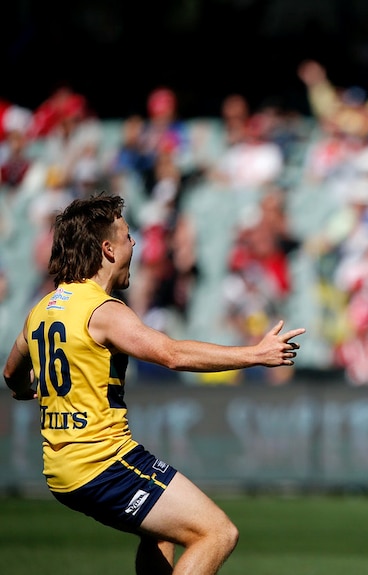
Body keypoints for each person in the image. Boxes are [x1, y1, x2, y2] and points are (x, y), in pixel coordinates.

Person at [3, 193, 306, 575]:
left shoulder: (41, 310)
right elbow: (171, 354)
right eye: (129, 237)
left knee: (161, 530)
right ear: (108, 249)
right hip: (102, 463)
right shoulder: (103, 311)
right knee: (216, 533)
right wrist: (254, 354)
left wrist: (25, 390)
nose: (135, 244)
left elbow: (11, 372)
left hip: (61, 467)